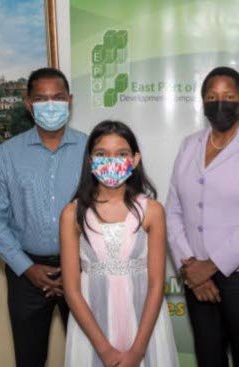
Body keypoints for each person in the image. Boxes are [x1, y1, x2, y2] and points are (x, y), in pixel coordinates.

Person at [165, 66, 239, 367]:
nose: (220, 103)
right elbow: (174, 209)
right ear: (202, 103)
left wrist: (212, 266)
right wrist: (191, 265)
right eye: (211, 96)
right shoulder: (189, 144)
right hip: (194, 277)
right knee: (208, 358)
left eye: (228, 96)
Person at [0, 67, 86, 367]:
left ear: (70, 100)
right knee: (29, 357)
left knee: (88, 356)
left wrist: (77, 266)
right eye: (41, 99)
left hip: (83, 271)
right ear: (28, 104)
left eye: (58, 97)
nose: (50, 105)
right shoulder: (7, 154)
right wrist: (27, 268)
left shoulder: (92, 149)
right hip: (26, 273)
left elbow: (104, 213)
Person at [61, 120, 178, 367]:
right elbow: (71, 289)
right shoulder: (72, 214)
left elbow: (157, 284)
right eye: (102, 154)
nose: (111, 161)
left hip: (144, 328)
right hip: (92, 329)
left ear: (135, 159)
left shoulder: (152, 211)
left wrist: (138, 350)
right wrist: (104, 350)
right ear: (90, 160)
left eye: (121, 154)